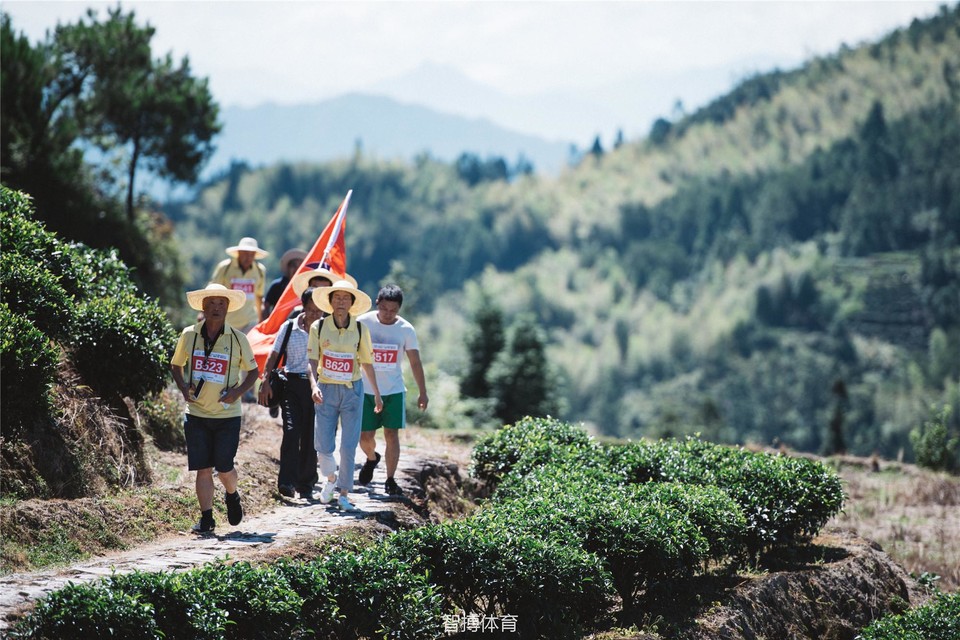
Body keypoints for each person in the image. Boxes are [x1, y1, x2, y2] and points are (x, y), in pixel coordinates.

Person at [170, 283, 260, 533]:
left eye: (221, 303)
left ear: (228, 308)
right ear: (203, 307)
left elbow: (253, 372)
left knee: (224, 466)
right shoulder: (189, 334)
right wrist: (182, 387)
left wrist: (236, 393)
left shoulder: (238, 339)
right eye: (211, 303)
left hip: (227, 416)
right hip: (196, 413)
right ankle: (207, 518)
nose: (216, 308)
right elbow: (176, 365)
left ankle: (232, 494)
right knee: (203, 468)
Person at [307, 280, 383, 512]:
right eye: (337, 298)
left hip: (352, 390)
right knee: (322, 444)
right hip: (326, 389)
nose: (341, 302)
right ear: (330, 302)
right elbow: (311, 361)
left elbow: (367, 363)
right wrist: (313, 385)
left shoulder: (361, 330)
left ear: (352, 303)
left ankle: (343, 493)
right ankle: (331, 478)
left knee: (349, 445)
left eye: (345, 298)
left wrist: (377, 394)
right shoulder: (318, 328)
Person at [357, 284, 428, 496]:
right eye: (385, 309)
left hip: (394, 390)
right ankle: (371, 458)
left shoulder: (406, 329)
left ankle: (390, 478)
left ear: (399, 309)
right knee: (365, 436)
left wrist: (422, 391)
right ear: (377, 303)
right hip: (366, 389)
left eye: (393, 311)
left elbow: (415, 362)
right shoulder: (363, 322)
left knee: (391, 434)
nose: (388, 314)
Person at [258, 287, 322, 499]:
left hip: (317, 387)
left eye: (318, 310)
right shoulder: (288, 327)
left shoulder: (326, 329)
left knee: (311, 435)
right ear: (303, 307)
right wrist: (265, 380)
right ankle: (287, 482)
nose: (314, 314)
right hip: (292, 385)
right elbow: (273, 356)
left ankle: (306, 483)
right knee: (292, 431)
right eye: (311, 309)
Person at [210, 237, 268, 333]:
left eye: (251, 254)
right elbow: (212, 291)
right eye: (245, 253)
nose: (248, 257)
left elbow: (259, 296)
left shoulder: (260, 271)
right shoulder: (225, 268)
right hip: (226, 321)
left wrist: (260, 321)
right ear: (239, 253)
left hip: (250, 321)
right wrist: (205, 313)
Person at [262, 248, 306, 320]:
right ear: (288, 268)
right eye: (293, 265)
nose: (296, 269)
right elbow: (266, 306)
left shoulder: (306, 287)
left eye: (300, 266)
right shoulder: (277, 286)